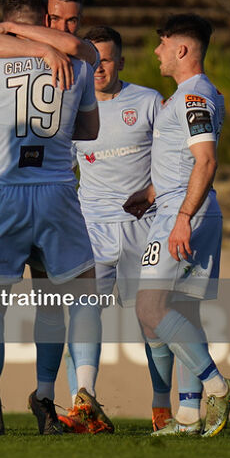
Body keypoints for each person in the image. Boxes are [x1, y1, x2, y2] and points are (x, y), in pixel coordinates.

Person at [0, 0, 101, 436]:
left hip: (3, 192)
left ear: (7, 22)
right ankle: (68, 398)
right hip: (56, 190)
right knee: (73, 300)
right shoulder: (77, 64)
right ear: (45, 20)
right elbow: (89, 130)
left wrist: (4, 115)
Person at [128, 14, 230, 437]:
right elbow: (184, 163)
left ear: (181, 49)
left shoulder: (195, 98)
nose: (156, 51)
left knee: (150, 308)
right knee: (183, 311)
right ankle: (190, 415)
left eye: (162, 43)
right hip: (181, 207)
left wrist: (180, 218)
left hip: (185, 216)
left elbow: (205, 160)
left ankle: (217, 386)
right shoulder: (189, 96)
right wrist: (152, 194)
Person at [69, 26, 171, 432]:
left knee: (153, 319)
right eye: (91, 60)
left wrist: (153, 193)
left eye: (106, 59)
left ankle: (161, 406)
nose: (98, 67)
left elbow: (176, 159)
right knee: (83, 311)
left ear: (121, 63)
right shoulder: (70, 106)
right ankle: (84, 399)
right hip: (91, 227)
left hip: (142, 228)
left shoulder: (148, 102)